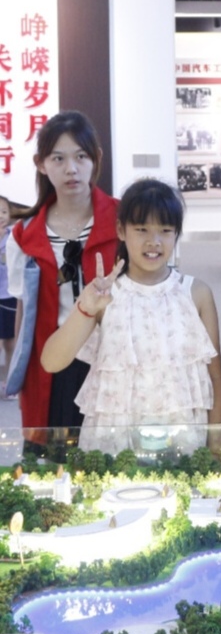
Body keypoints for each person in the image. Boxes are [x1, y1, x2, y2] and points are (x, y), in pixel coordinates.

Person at [39, 179, 221, 457]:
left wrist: (216, 452)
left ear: (177, 233)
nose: (154, 241)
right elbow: (51, 362)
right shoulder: (104, 295)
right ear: (121, 230)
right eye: (141, 229)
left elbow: (216, 380)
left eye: (165, 230)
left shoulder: (196, 293)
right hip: (113, 446)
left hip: (181, 443)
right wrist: (85, 309)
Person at [8, 111, 120, 459]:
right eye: (58, 159)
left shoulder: (125, 221)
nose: (71, 169)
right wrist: (20, 372)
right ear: (41, 164)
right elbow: (24, 310)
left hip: (114, 358)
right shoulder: (23, 234)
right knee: (55, 459)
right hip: (54, 360)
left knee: (114, 454)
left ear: (96, 158)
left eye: (81, 156)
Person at [0, 196, 16, 398]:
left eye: (4, 211)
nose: (1, 216)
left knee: (10, 343)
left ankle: (9, 383)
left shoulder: (14, 237)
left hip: (10, 296)